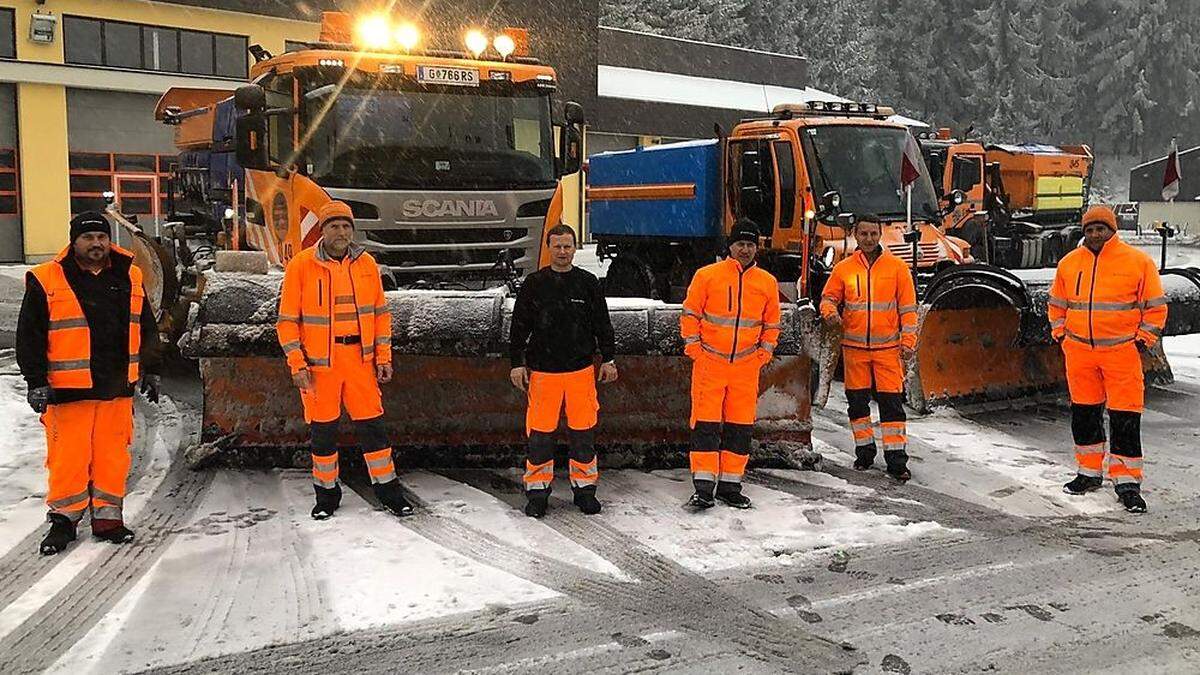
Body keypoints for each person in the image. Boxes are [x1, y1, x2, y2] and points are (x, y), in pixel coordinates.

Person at [16, 211, 162, 555]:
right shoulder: (46, 278)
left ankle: (109, 519)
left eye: (101, 237)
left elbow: (146, 326)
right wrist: (36, 381)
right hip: (68, 392)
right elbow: (30, 335)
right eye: (88, 238)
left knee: (112, 458)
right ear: (74, 241)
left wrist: (152, 369)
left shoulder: (129, 275)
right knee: (69, 459)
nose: (97, 244)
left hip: (116, 389)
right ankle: (64, 521)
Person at [276, 200, 414, 520]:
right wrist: (297, 363)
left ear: (353, 230)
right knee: (323, 433)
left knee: (374, 429)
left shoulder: (367, 265)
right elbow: (286, 321)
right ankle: (326, 496)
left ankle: (388, 491)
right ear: (322, 231)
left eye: (346, 226)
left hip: (360, 362)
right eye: (334, 226)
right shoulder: (301, 266)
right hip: (319, 366)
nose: (341, 232)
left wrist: (383, 357)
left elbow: (381, 315)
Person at [1049, 204, 1166, 513]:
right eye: (1090, 229)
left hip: (1121, 353)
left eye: (1101, 228)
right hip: (1079, 354)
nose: (1095, 234)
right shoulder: (1069, 264)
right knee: (1084, 416)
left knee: (1125, 417)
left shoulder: (1137, 262)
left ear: (1112, 230)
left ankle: (1127, 482)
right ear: (1083, 232)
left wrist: (1142, 341)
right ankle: (1088, 473)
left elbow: (1155, 308)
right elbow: (1057, 305)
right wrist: (1061, 334)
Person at [509, 224, 617, 518]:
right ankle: (537, 492)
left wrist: (608, 358)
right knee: (540, 436)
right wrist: (516, 363)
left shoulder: (588, 283)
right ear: (548, 248)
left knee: (583, 434)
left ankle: (584, 491)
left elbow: (602, 325)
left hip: (581, 372)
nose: (562, 252)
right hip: (543, 374)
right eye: (557, 246)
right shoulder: (534, 284)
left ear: (574, 248)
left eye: (567, 246)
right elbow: (519, 327)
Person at [680, 219, 781, 510]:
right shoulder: (707, 276)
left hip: (747, 367)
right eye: (740, 244)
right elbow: (690, 314)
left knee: (740, 427)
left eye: (750, 244)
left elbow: (772, 324)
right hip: (710, 364)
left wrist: (764, 353)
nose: (745, 249)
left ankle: (730, 485)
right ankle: (703, 487)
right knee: (705, 426)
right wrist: (694, 349)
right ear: (731, 246)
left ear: (756, 247)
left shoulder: (766, 283)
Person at [820, 215, 918, 481]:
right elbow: (828, 298)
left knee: (892, 407)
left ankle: (897, 461)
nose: (869, 239)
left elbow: (908, 311)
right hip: (854, 350)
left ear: (880, 234)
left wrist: (908, 342)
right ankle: (864, 452)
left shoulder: (898, 269)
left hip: (888, 350)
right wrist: (830, 313)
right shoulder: (844, 269)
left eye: (873, 234)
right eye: (863, 234)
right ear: (855, 235)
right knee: (858, 406)